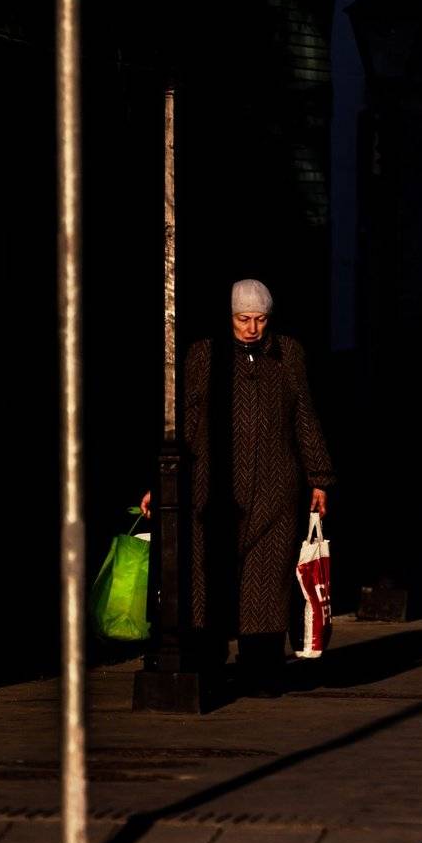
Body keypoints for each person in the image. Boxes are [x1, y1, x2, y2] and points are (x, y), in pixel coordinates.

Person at [142, 279, 334, 695]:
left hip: (275, 487)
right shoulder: (205, 355)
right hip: (212, 489)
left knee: (267, 584)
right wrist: (163, 484)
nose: (252, 328)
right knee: (207, 581)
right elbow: (186, 421)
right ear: (229, 317)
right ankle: (206, 665)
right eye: (243, 319)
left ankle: (261, 671)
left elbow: (304, 414)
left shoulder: (288, 354)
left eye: (260, 319)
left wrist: (319, 477)